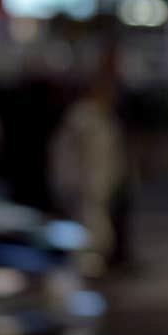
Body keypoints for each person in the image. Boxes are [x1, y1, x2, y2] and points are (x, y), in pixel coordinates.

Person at [49, 49, 129, 276]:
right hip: (84, 183)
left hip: (97, 182)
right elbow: (73, 155)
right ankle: (85, 264)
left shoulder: (100, 117)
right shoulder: (83, 117)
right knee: (90, 226)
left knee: (95, 225)